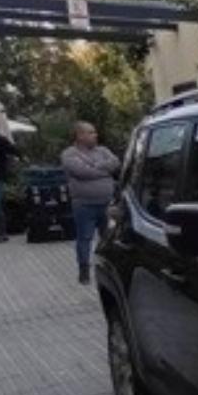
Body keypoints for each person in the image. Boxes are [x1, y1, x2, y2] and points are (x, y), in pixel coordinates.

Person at [60, 121, 120, 284]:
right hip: (84, 205)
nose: (96, 135)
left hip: (107, 204)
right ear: (80, 135)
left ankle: (107, 268)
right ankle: (84, 270)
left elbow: (116, 163)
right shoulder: (69, 154)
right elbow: (82, 172)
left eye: (95, 132)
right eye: (91, 132)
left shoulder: (103, 150)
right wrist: (104, 171)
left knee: (107, 237)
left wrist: (94, 166)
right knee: (84, 238)